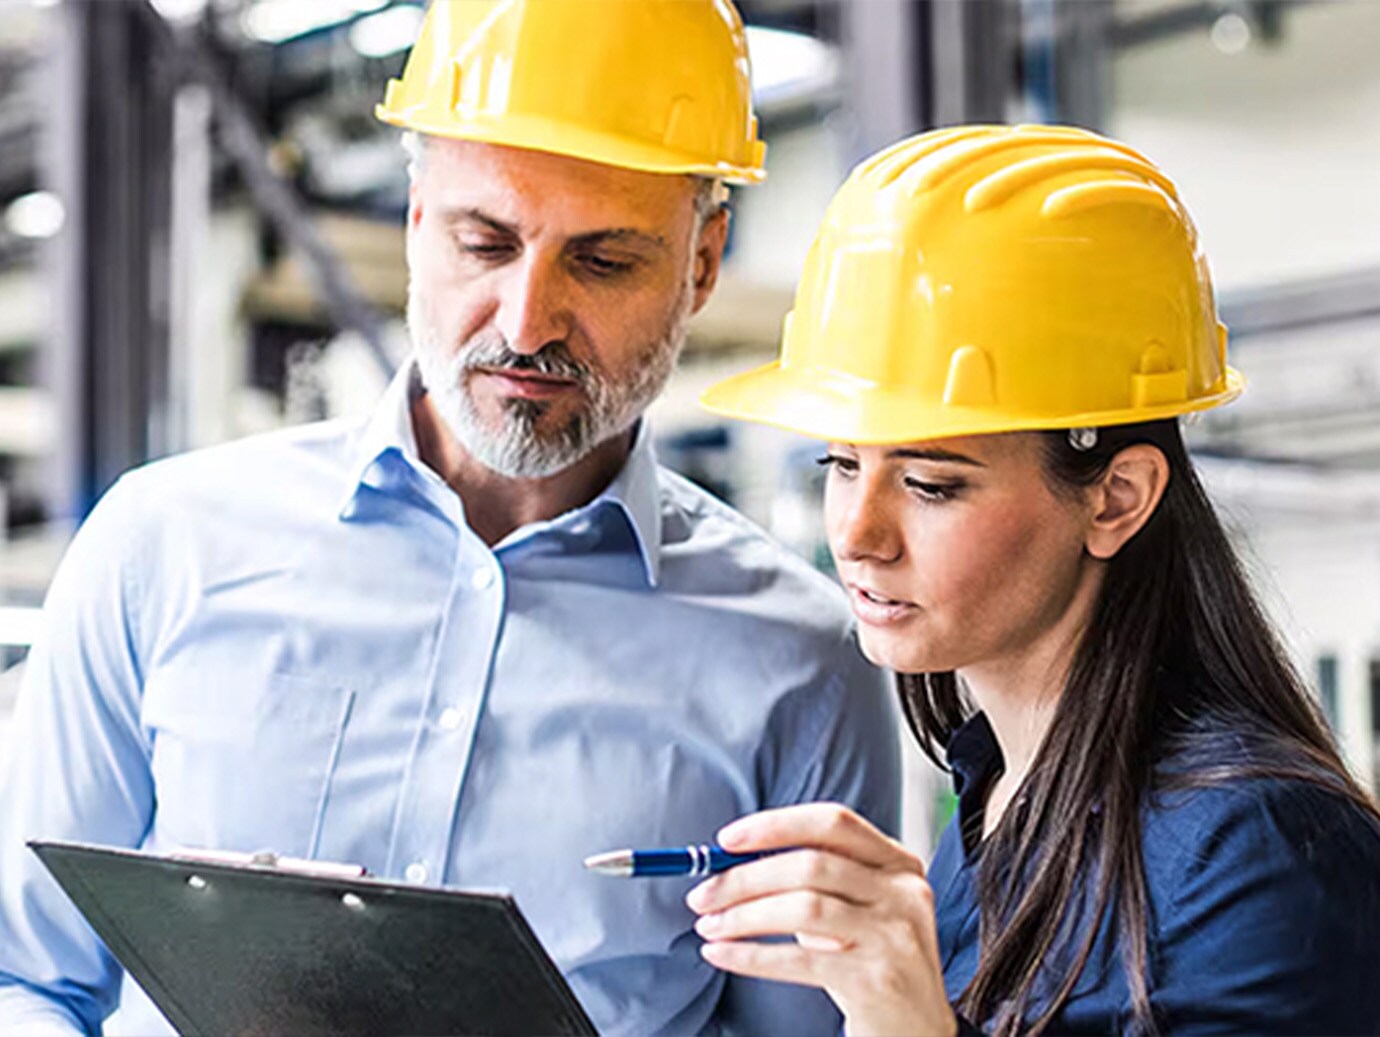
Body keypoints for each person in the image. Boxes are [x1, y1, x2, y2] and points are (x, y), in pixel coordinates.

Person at [0, 3, 900, 1035]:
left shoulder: (802, 662)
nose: (527, 320)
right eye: (486, 242)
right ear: (418, 219)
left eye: (603, 261)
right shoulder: (161, 548)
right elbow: (25, 978)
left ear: (702, 263)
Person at [689, 123, 1380, 1036]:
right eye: (842, 464)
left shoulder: (1255, 851)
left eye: (930, 484)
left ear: (1116, 498)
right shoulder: (995, 803)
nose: (856, 536)